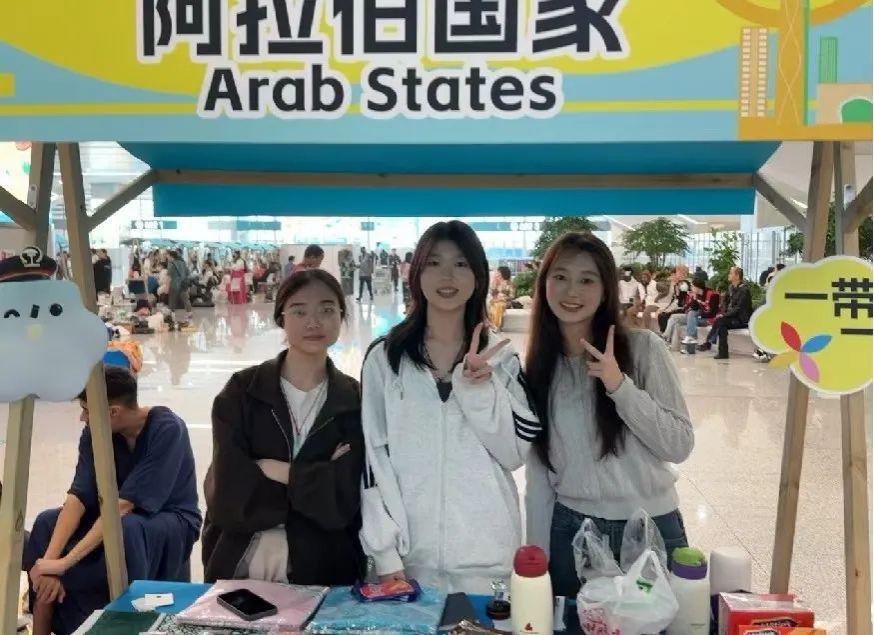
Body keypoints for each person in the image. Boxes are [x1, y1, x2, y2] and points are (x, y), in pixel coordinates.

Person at [359, 220, 540, 595]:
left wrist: (481, 391)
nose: (447, 276)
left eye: (460, 264)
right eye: (434, 263)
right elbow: (372, 458)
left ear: (478, 275)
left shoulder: (501, 357)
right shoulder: (386, 358)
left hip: (487, 559)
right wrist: (386, 554)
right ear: (416, 273)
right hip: (408, 561)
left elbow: (514, 454)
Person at [523, 232, 694, 598]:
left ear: (605, 290)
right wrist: (536, 555)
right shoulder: (540, 368)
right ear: (545, 283)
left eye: (587, 280)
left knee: (657, 623)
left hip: (650, 527)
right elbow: (539, 474)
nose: (572, 291)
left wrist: (619, 387)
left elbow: (679, 444)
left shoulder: (644, 348)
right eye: (561, 277)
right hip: (572, 531)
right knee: (572, 622)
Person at [202, 270, 364, 584]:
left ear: (342, 317)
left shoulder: (353, 400)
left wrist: (277, 471)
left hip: (326, 568)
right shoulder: (243, 392)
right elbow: (229, 494)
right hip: (243, 563)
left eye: (327, 310)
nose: (313, 322)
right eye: (299, 311)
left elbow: (343, 503)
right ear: (281, 318)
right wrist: (318, 478)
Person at [24, 366, 201, 635]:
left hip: (168, 519)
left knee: (126, 528)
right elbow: (78, 497)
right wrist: (48, 564)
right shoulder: (94, 432)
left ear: (113, 412)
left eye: (86, 410)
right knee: (46, 521)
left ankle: (124, 624)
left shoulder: (167, 429)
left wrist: (65, 563)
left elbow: (123, 506)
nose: (82, 418)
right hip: (113, 515)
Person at [698, 266, 753, 359]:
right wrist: (723, 313)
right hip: (730, 317)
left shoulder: (744, 290)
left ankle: (709, 343)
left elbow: (739, 308)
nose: (728, 275)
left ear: (737, 276)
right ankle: (722, 353)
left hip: (741, 319)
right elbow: (724, 304)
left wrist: (724, 315)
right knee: (721, 325)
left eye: (731, 273)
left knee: (720, 321)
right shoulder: (730, 288)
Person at [680, 276, 721, 351]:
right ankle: (690, 340)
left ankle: (691, 338)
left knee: (691, 316)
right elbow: (693, 308)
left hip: (711, 320)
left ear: (697, 287)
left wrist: (700, 315)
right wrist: (694, 299)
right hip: (701, 318)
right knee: (690, 315)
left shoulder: (713, 295)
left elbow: (713, 313)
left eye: (692, 286)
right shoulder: (697, 295)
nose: (691, 288)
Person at [168, 250, 193, 326]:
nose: (167, 257)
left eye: (168, 256)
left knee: (172, 300)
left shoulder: (171, 264)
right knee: (186, 299)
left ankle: (172, 315)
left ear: (171, 256)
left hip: (174, 284)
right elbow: (188, 272)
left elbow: (170, 273)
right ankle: (189, 313)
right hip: (183, 284)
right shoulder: (183, 263)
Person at [488, 265, 515, 330]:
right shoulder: (496, 283)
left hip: (505, 301)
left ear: (503, 273)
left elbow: (512, 296)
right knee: (490, 305)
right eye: (497, 272)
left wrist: (502, 298)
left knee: (498, 306)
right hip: (495, 301)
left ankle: (497, 325)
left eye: (498, 272)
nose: (497, 274)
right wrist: (494, 284)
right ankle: (492, 325)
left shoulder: (509, 284)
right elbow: (492, 293)